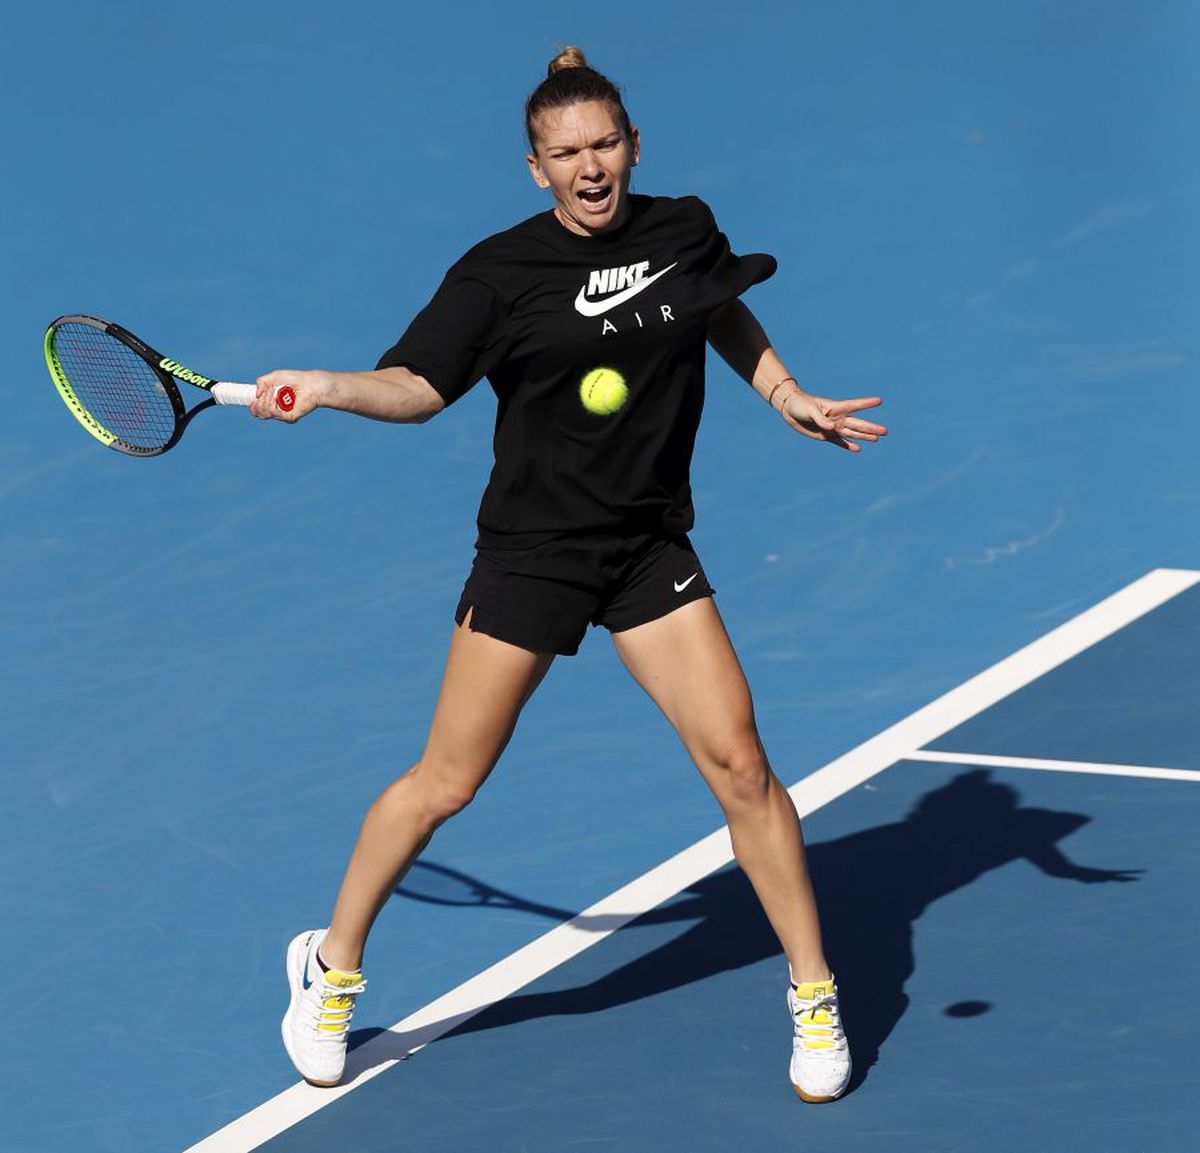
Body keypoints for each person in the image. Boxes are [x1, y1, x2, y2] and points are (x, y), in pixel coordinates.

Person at [254, 46, 886, 1105]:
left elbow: (718, 307)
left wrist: (787, 394)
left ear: (634, 146)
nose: (590, 168)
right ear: (535, 168)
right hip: (534, 554)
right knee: (446, 781)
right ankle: (330, 963)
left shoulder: (682, 229)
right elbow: (418, 386)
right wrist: (327, 384)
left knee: (741, 766)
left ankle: (814, 991)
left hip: (645, 546)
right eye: (566, 154)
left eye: (604, 146)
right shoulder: (498, 274)